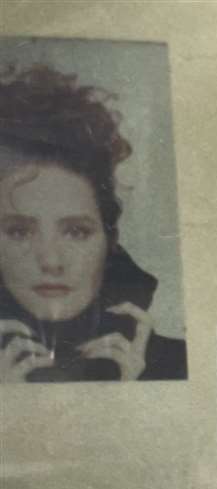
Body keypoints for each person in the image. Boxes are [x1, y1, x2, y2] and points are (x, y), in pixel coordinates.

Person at [0, 64, 186, 383]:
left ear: (109, 241)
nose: (51, 260)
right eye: (19, 231)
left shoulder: (175, 364)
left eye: (75, 231)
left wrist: (135, 394)